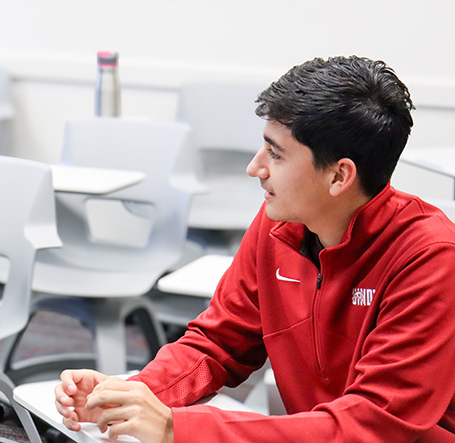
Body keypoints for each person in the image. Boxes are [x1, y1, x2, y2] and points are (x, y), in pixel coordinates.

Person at [55, 56, 455, 442]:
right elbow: (217, 343)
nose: (255, 167)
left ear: (339, 176)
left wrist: (176, 428)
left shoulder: (432, 259)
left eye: (276, 154)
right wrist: (133, 396)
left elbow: (370, 427)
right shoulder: (279, 224)